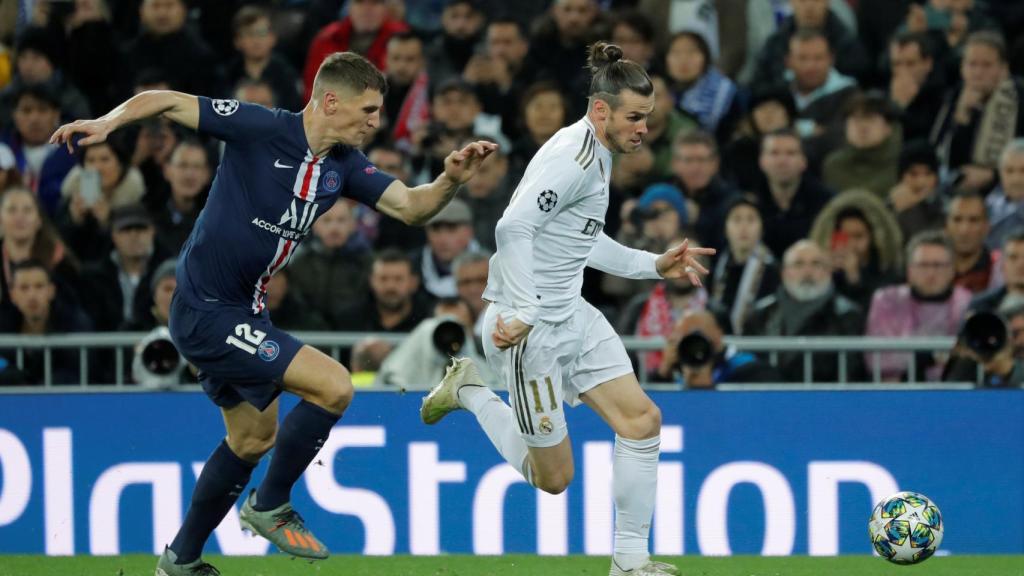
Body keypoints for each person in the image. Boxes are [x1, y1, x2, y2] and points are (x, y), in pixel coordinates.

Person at [51, 50, 496, 575]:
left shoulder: (345, 167)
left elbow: (412, 207)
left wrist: (451, 180)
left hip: (246, 312)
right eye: (368, 110)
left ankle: (180, 559)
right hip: (205, 308)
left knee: (252, 438)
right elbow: (166, 101)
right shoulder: (260, 128)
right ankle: (269, 504)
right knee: (334, 385)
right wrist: (108, 121)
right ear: (331, 101)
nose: (376, 122)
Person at [420, 42, 714, 576]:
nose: (643, 128)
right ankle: (468, 390)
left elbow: (581, 240)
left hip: (570, 315)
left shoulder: (595, 152)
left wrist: (652, 265)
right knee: (553, 479)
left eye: (647, 117)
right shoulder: (574, 159)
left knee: (643, 421)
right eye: (634, 117)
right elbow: (512, 228)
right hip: (524, 330)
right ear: (600, 110)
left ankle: (630, 562)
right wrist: (529, 309)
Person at [744, 240, 864, 383]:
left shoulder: (848, 316)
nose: (807, 272)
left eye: (816, 264)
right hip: (769, 401)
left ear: (828, 271)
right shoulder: (760, 315)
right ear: (784, 273)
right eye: (798, 264)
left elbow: (853, 373)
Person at [865, 231, 973, 381]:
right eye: (923, 265)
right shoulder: (887, 300)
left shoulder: (967, 302)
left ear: (952, 270)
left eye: (938, 265)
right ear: (909, 270)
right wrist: (930, 356)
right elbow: (879, 359)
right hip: (898, 391)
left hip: (954, 391)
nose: (931, 273)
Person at [0, 259, 93, 385]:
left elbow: (77, 371)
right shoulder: (4, 325)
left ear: (51, 291)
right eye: (24, 288)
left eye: (39, 286)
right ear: (12, 295)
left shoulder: (74, 324)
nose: (32, 295)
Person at [659, 309, 781, 388]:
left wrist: (705, 385)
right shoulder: (672, 374)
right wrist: (663, 373)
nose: (693, 344)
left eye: (698, 334)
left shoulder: (751, 371)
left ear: (718, 335)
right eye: (684, 337)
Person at [985, 139, 1024, 249]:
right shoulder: (986, 208)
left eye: (1023, 170)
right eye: (1009, 171)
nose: (1016, 179)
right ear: (1000, 173)